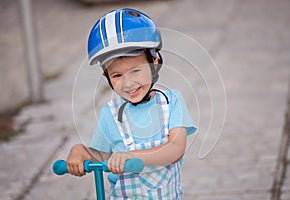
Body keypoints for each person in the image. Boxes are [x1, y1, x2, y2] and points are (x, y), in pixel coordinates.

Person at [66, 8, 197, 199]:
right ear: (107, 77)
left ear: (155, 63)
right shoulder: (109, 114)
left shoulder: (171, 103)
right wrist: (81, 152)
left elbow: (175, 149)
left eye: (136, 71)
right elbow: (100, 156)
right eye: (117, 75)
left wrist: (133, 156)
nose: (128, 83)